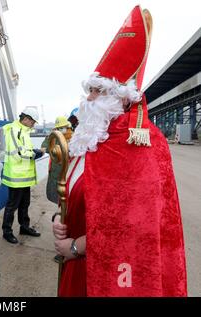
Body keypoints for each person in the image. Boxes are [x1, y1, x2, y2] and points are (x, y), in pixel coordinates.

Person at [52, 6, 187, 296]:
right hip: (76, 261)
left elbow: (131, 225)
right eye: (90, 89)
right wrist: (59, 219)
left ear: (121, 98)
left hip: (107, 269)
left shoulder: (139, 141)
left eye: (97, 90)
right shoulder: (94, 136)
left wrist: (75, 247)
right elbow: (77, 189)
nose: (88, 98)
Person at [1, 107, 44, 244]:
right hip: (16, 177)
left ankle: (24, 227)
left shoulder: (24, 132)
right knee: (12, 206)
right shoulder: (14, 130)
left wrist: (34, 151)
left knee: (25, 204)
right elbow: (19, 153)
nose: (34, 124)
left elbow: (25, 149)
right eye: (33, 122)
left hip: (24, 176)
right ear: (26, 119)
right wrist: (37, 152)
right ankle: (7, 232)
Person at [41, 116, 73, 204]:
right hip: (55, 171)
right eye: (59, 128)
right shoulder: (53, 137)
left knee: (67, 197)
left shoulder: (73, 137)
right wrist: (51, 138)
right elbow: (44, 147)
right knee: (56, 196)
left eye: (63, 127)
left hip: (67, 171)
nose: (61, 129)